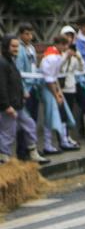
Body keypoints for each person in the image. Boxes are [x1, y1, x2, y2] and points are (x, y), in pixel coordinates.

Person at [0, 35, 47, 164]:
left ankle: (32, 153)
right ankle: (4, 159)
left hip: (17, 104)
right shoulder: (2, 63)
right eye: (13, 46)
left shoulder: (10, 61)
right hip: (9, 106)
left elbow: (16, 81)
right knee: (8, 133)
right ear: (6, 46)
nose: (16, 49)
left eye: (17, 46)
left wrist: (23, 93)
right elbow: (1, 87)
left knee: (30, 125)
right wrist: (6, 106)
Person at [37, 34, 79, 154]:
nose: (66, 47)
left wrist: (58, 92)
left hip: (53, 86)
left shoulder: (56, 54)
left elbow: (54, 77)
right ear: (59, 44)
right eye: (64, 45)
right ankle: (48, 145)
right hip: (47, 87)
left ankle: (63, 141)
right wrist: (56, 94)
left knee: (60, 113)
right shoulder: (52, 57)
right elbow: (49, 79)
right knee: (50, 115)